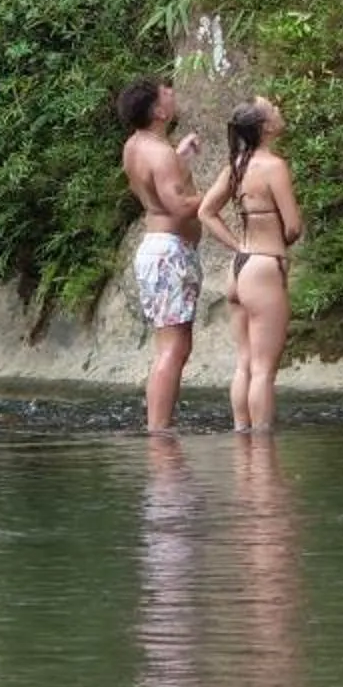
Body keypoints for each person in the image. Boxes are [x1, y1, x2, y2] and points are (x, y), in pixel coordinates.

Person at [196, 96, 302, 434]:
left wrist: (237, 245)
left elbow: (205, 212)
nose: (280, 110)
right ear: (266, 127)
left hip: (238, 267)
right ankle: (262, 446)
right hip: (264, 266)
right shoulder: (274, 166)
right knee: (264, 370)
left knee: (244, 364)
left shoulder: (237, 164)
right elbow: (293, 227)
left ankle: (243, 440)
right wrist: (277, 245)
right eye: (274, 109)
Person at [116, 74, 208, 432]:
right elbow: (180, 207)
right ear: (158, 110)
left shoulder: (136, 145)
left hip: (157, 250)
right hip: (170, 253)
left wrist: (179, 157)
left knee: (170, 346)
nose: (172, 93)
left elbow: (157, 189)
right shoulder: (160, 153)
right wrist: (225, 186)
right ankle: (159, 431)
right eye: (166, 92)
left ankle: (159, 428)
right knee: (174, 349)